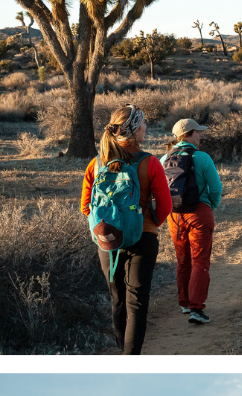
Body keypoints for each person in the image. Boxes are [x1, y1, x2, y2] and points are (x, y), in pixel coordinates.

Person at [82, 105, 174, 355]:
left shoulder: (96, 164)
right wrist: (149, 223)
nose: (146, 127)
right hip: (143, 237)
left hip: (108, 240)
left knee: (118, 300)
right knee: (137, 304)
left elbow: (85, 206)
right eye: (142, 123)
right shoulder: (149, 162)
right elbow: (165, 205)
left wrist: (108, 224)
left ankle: (123, 349)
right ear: (133, 129)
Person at [164, 116, 223, 325]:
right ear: (188, 135)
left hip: (174, 216)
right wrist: (209, 205)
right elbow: (216, 188)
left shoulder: (164, 158)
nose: (200, 135)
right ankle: (196, 309)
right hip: (199, 213)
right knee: (200, 261)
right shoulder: (202, 158)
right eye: (198, 132)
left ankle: (185, 302)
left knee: (183, 260)